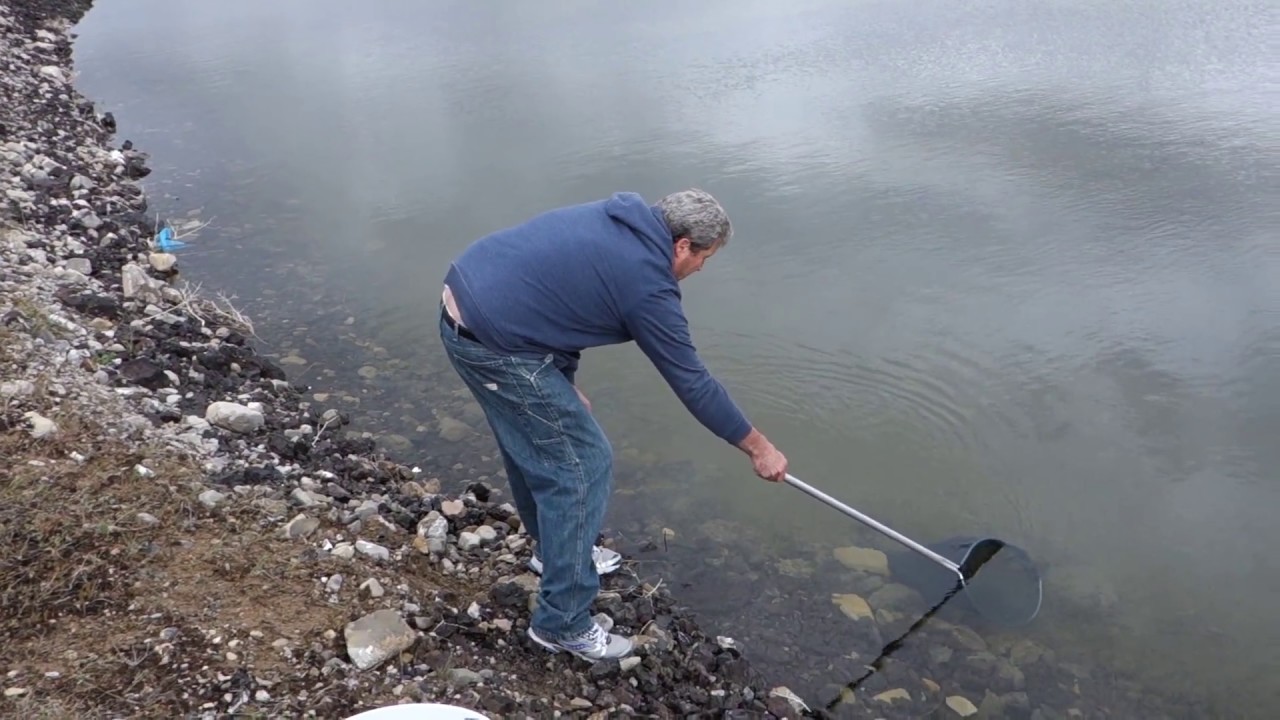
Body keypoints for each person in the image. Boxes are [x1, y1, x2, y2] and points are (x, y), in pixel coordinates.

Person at [437, 189, 789, 661]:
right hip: (493, 339)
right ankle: (561, 622)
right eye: (704, 257)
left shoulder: (622, 217)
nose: (702, 269)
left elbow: (565, 305)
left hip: (473, 300)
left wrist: (561, 379)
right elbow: (692, 382)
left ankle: (556, 553)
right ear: (683, 245)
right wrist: (758, 446)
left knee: (538, 443)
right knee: (584, 462)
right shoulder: (648, 286)